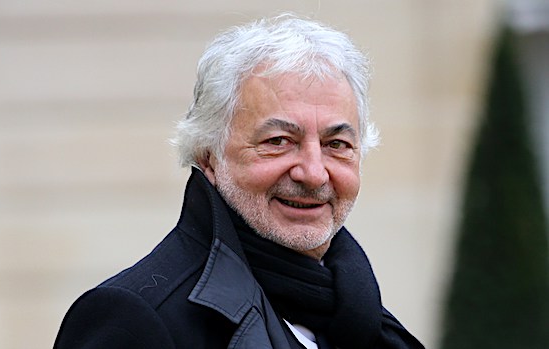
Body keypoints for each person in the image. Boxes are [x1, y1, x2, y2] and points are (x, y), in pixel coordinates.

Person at [54, 14, 425, 349]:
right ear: (207, 156)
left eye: (336, 144)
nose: (313, 173)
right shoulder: (134, 320)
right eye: (278, 142)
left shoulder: (364, 318)